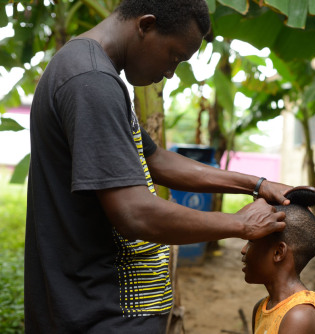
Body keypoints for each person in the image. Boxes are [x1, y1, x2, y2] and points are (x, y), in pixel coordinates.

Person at [25, 1, 292, 333]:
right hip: (99, 316)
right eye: (174, 56)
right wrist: (239, 224)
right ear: (145, 25)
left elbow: (155, 159)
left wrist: (256, 184)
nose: (170, 72)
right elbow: (135, 213)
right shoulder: (91, 81)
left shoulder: (92, 70)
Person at [241, 203, 315, 334]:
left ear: (278, 253)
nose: (243, 250)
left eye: (251, 241)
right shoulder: (261, 308)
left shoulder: (298, 316)